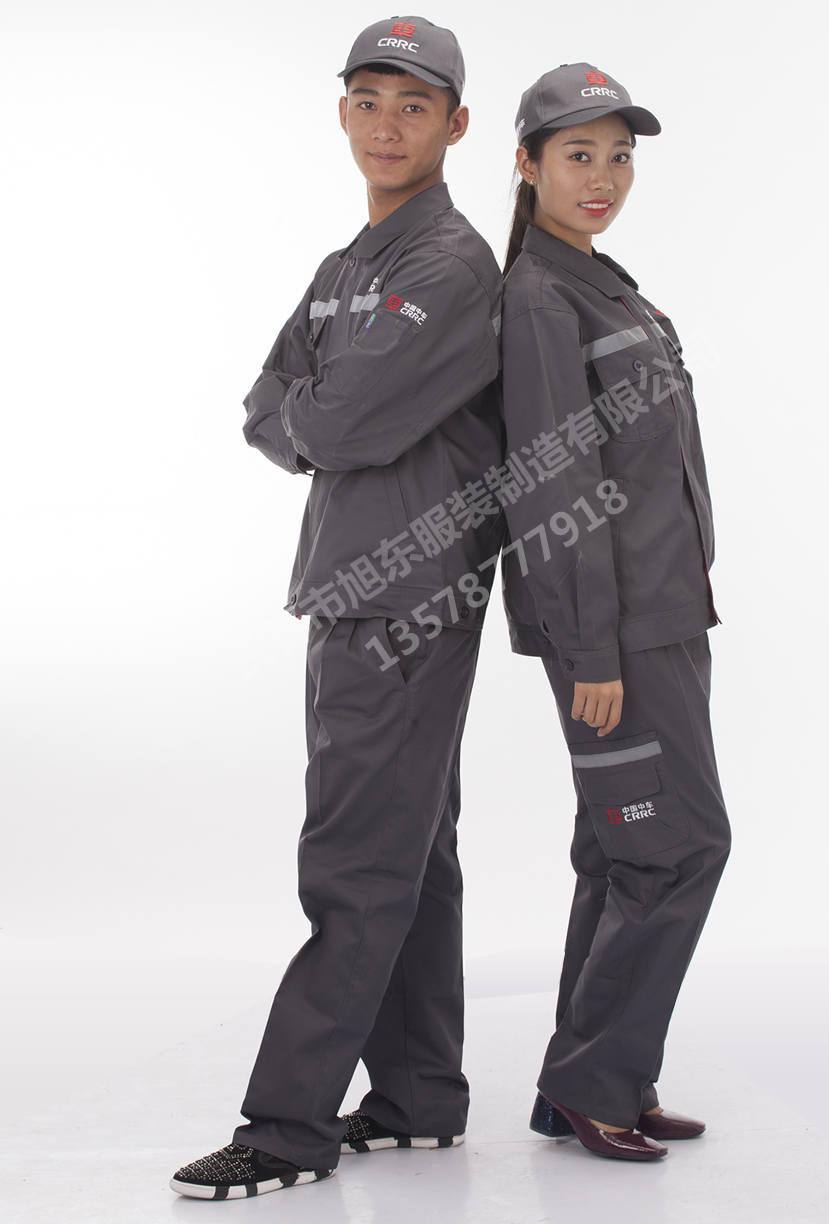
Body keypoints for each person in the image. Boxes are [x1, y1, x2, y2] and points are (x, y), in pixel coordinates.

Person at [170, 16, 505, 1199]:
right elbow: (262, 404)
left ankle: (287, 1129)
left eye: (413, 105)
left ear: (456, 125)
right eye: (367, 100)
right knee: (412, 849)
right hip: (356, 586)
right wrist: (315, 413)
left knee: (355, 859)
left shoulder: (450, 266)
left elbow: (339, 421)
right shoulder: (344, 267)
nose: (386, 124)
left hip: (402, 595)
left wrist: (316, 415)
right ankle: (418, 1095)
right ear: (343, 113)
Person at [498, 63, 732, 1162]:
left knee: (622, 853)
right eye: (577, 155)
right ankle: (594, 1082)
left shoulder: (603, 283)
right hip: (616, 636)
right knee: (675, 850)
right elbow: (552, 487)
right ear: (526, 164)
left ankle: (596, 1081)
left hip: (667, 620)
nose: (603, 177)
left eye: (619, 156)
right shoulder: (539, 300)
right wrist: (588, 648)